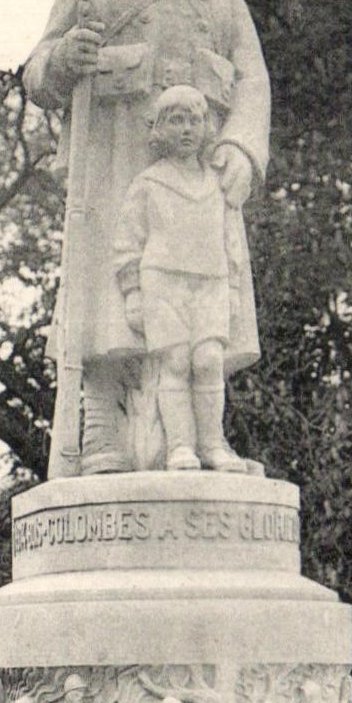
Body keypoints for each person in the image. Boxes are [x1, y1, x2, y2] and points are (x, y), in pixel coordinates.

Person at [23, 0, 269, 474]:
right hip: (113, 159)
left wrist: (242, 144)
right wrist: (60, 59)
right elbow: (37, 72)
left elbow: (252, 80)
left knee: (199, 311)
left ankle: (198, 440)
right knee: (108, 287)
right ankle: (101, 429)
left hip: (196, 173)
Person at [112, 84, 248, 470]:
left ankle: (213, 445)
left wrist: (234, 289)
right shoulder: (148, 183)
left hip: (212, 282)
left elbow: (230, 241)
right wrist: (133, 292)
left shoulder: (217, 186)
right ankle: (180, 447)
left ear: (206, 126)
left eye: (194, 120)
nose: (187, 129)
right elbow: (128, 242)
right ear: (159, 128)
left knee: (207, 361)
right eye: (176, 120)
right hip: (162, 283)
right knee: (174, 362)